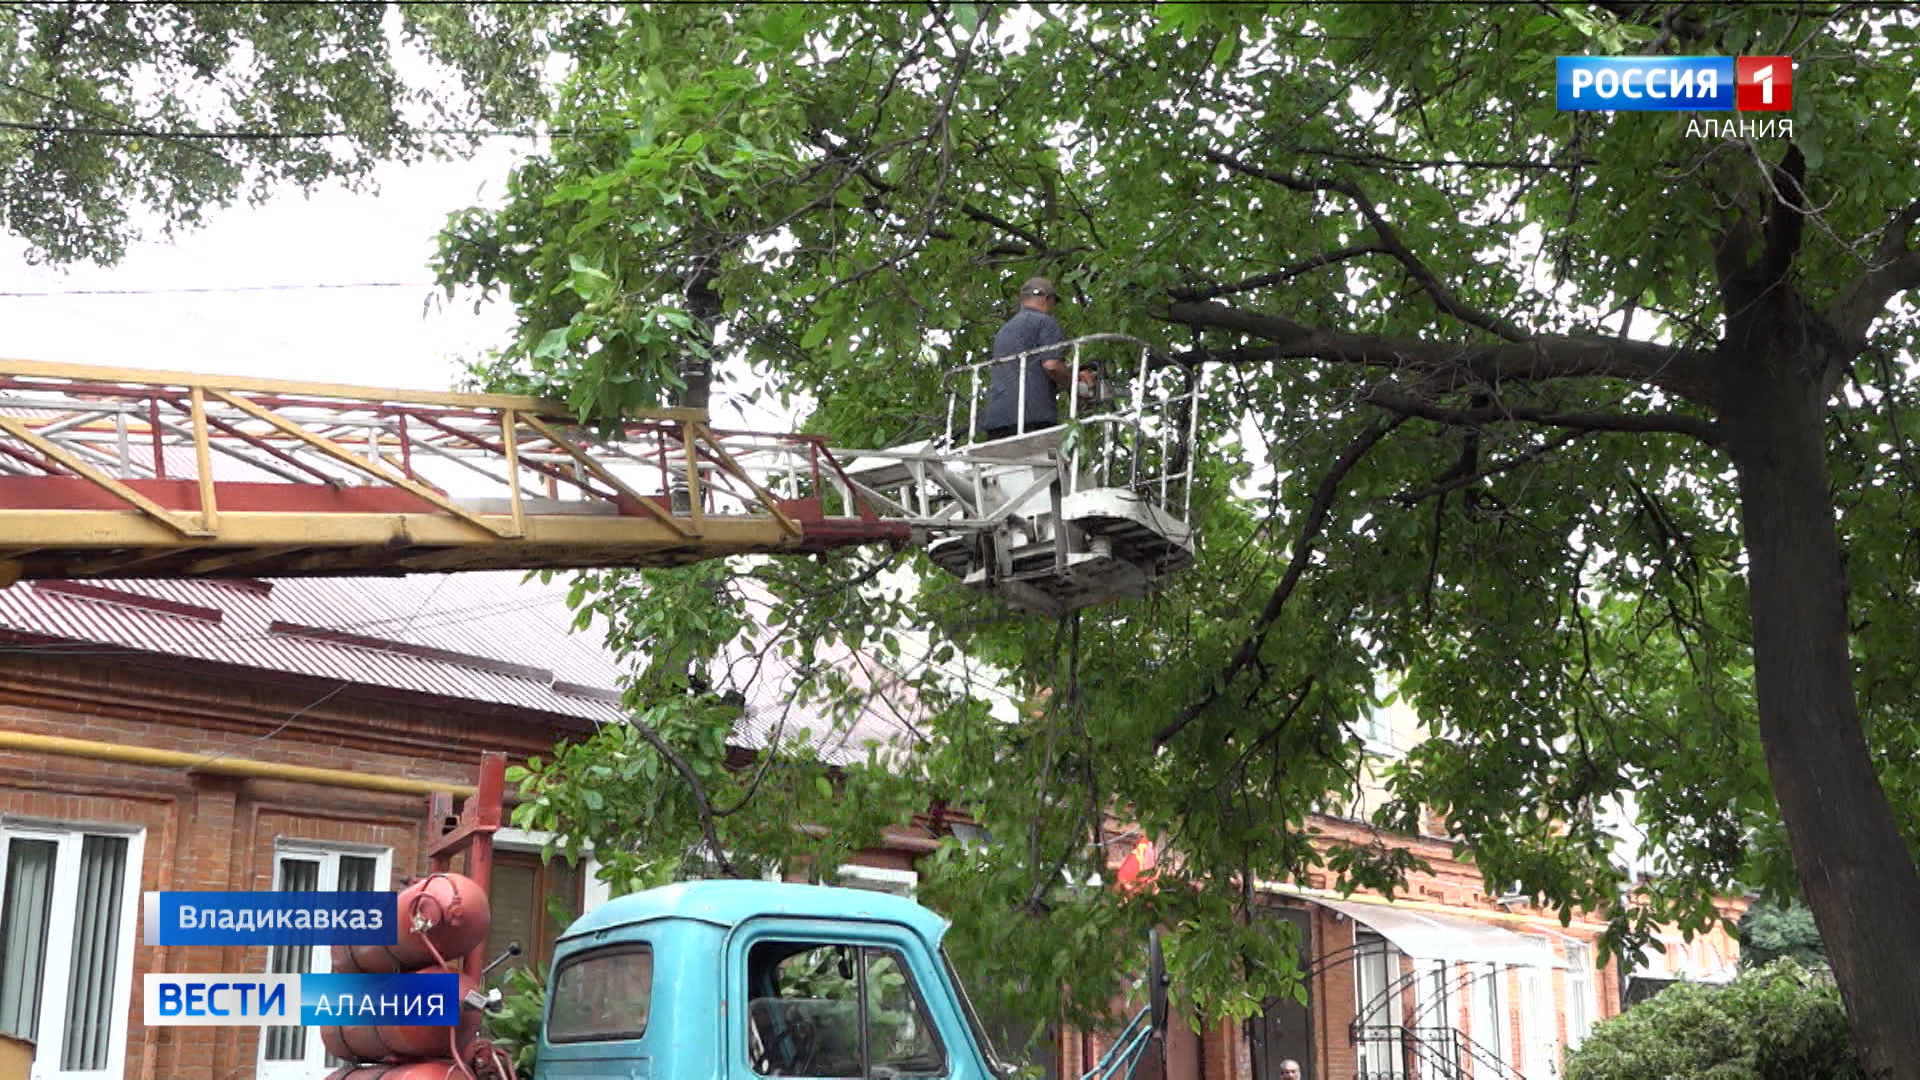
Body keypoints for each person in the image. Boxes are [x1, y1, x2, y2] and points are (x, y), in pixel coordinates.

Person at [977, 276, 1094, 440]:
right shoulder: (1045, 322)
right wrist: (1074, 385)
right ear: (1047, 298)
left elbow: (1027, 371)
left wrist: (1067, 373)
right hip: (1032, 419)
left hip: (997, 421)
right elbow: (1051, 366)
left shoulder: (1005, 330)